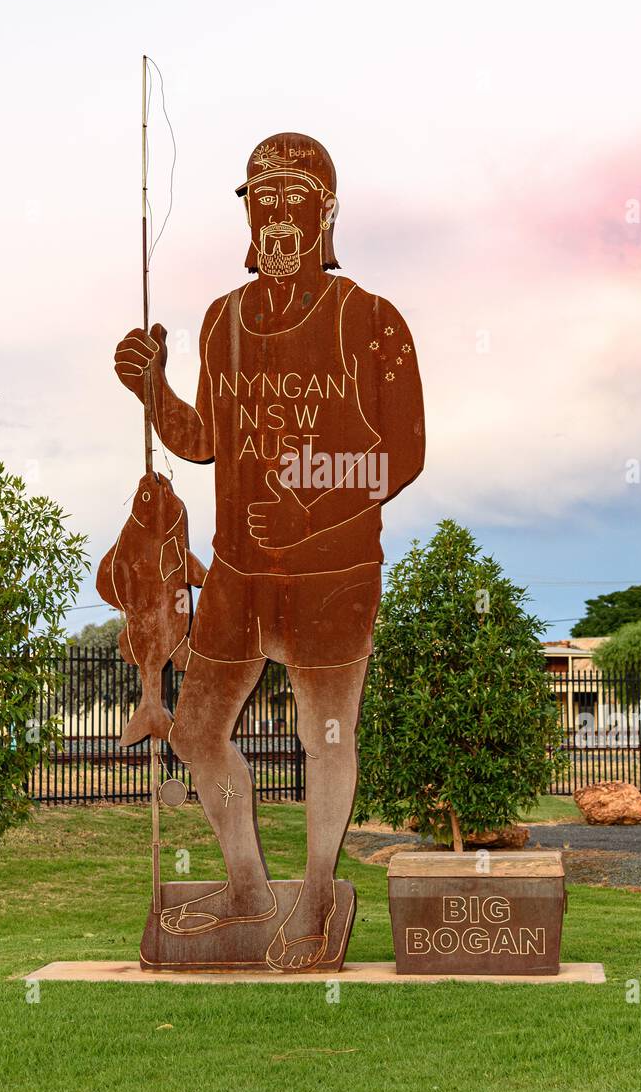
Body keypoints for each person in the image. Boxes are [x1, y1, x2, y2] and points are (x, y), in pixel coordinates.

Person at [115, 132, 424, 970]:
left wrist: (308, 509)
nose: (277, 218)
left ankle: (319, 894)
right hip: (238, 575)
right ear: (249, 213)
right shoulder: (223, 319)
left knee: (324, 734)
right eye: (263, 200)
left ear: (324, 213)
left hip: (332, 573)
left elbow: (400, 453)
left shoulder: (369, 319)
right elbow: (202, 438)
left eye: (294, 201)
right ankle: (248, 886)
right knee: (194, 733)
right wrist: (154, 393)